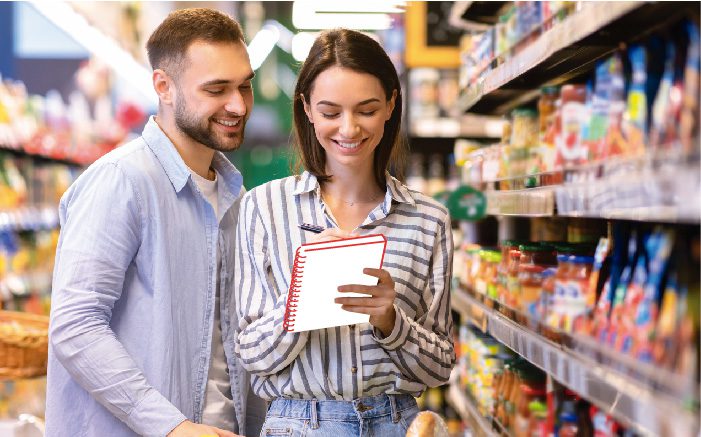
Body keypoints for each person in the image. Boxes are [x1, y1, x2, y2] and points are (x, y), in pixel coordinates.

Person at [45, 8, 265, 437]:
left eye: (245, 85)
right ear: (164, 86)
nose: (238, 105)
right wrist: (172, 426)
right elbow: (76, 325)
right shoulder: (122, 182)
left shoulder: (235, 197)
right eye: (217, 89)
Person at [234, 28, 455, 436]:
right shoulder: (263, 208)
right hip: (299, 424)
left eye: (366, 110)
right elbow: (251, 355)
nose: (349, 129)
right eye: (331, 112)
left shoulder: (429, 219)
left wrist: (391, 321)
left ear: (391, 104)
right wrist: (303, 296)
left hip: (395, 423)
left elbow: (441, 365)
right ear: (307, 109)